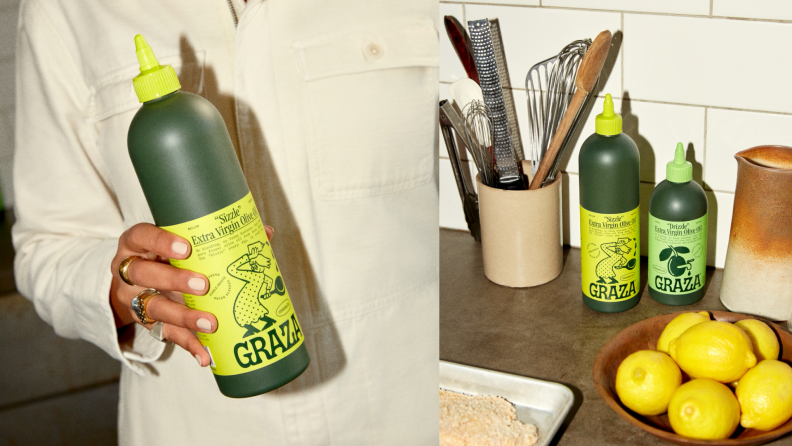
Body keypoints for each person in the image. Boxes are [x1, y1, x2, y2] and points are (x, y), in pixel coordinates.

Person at [13, 0, 438, 444]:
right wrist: (123, 289)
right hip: (198, 423)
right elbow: (47, 245)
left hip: (404, 407)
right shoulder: (66, 8)